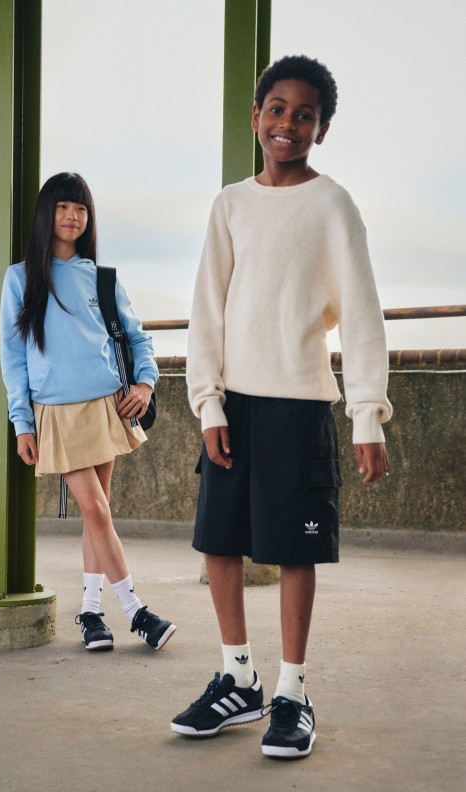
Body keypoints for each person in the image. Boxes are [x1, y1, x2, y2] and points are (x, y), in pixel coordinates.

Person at [171, 55, 392, 758]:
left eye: (304, 114)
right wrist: (208, 405)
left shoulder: (333, 207)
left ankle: (292, 692)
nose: (287, 124)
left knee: (296, 550)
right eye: (276, 109)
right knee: (220, 543)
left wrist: (366, 415)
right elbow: (207, 311)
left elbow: (361, 315)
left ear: (321, 129)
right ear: (256, 116)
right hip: (233, 405)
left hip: (298, 409)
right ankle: (238, 679)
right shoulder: (230, 205)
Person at [0, 171, 176, 652]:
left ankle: (91, 613)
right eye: (63, 206)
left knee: (99, 516)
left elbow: (139, 338)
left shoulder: (102, 278)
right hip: (58, 411)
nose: (72, 216)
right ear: (46, 213)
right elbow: (13, 359)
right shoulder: (20, 278)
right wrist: (21, 423)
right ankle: (137, 612)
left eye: (81, 208)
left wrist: (145, 382)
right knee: (97, 510)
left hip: (108, 405)